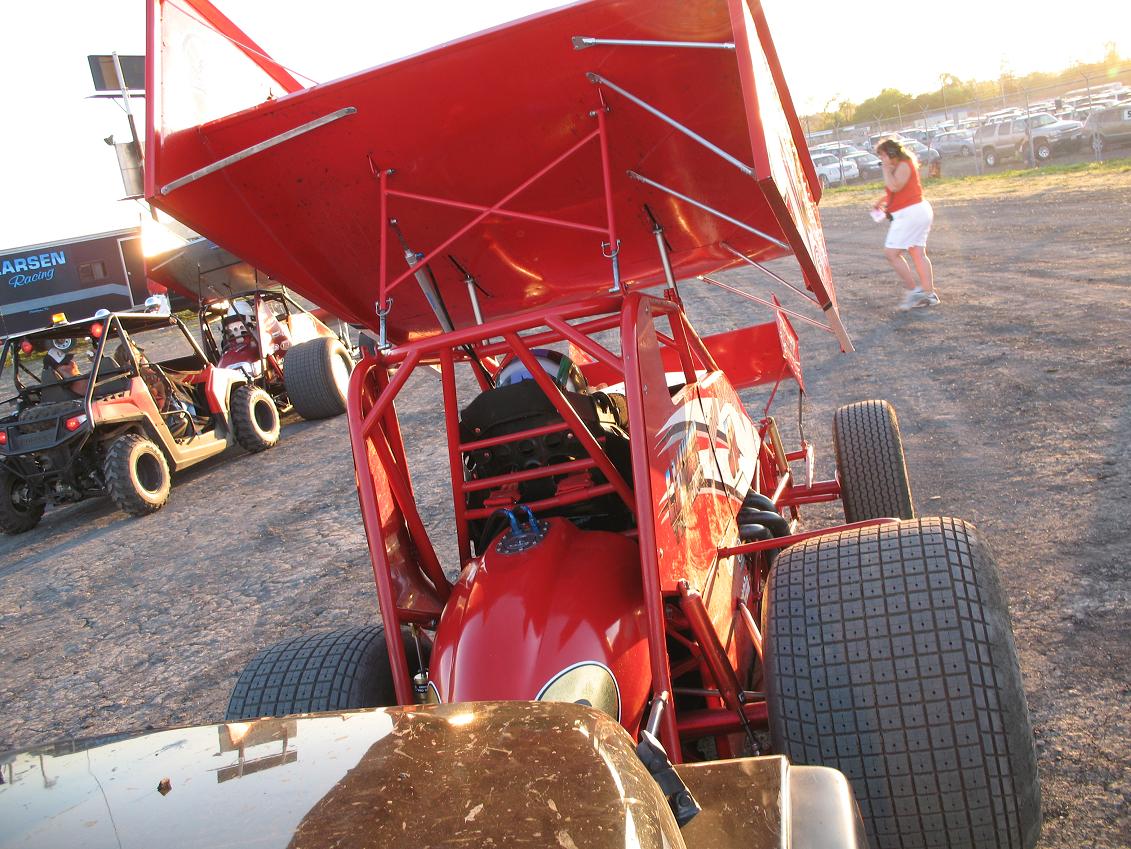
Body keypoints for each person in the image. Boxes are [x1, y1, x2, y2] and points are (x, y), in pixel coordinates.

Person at [873, 138, 939, 310]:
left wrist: (886, 169)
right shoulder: (902, 165)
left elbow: (895, 186)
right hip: (916, 211)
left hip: (910, 213)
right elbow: (899, 191)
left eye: (883, 156)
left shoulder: (903, 164)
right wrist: (882, 200)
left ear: (891, 154)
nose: (882, 160)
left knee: (891, 253)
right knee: (917, 252)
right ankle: (928, 294)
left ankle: (915, 291)